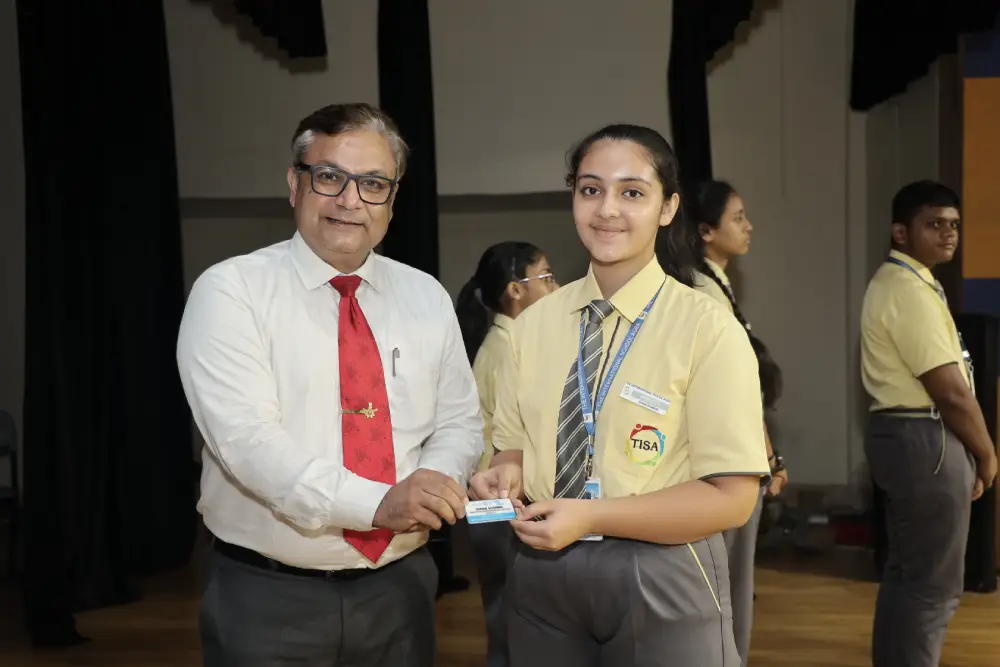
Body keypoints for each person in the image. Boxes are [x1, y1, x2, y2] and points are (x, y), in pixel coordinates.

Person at [176, 102, 484, 667]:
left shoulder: (426, 296)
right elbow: (247, 443)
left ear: (391, 200)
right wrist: (378, 504)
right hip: (269, 596)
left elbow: (459, 421)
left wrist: (434, 483)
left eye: (372, 184)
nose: (349, 200)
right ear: (295, 184)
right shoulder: (231, 292)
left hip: (402, 587)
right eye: (329, 177)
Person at [469, 124, 771, 666]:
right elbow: (511, 447)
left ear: (667, 207)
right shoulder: (532, 326)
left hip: (661, 566)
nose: (607, 209)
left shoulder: (706, 327)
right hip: (540, 567)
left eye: (632, 192)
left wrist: (593, 517)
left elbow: (732, 497)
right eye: (591, 189)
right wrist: (505, 471)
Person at [860, 180, 997, 667]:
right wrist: (986, 453)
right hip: (925, 435)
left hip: (912, 435)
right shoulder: (907, 290)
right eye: (934, 224)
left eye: (954, 224)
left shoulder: (911, 282)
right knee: (933, 588)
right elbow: (951, 391)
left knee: (909, 578)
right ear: (901, 232)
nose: (948, 233)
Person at [685, 179, 787, 666]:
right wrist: (769, 455)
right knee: (728, 584)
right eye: (738, 218)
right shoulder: (703, 291)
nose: (749, 227)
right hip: (728, 457)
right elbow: (737, 387)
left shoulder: (714, 284)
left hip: (730, 451)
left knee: (729, 583)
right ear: (706, 230)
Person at [455, 241, 559, 667]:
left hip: (497, 498)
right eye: (546, 277)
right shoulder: (506, 350)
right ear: (516, 290)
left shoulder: (512, 342)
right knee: (514, 617)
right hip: (499, 500)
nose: (556, 287)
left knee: (508, 611)